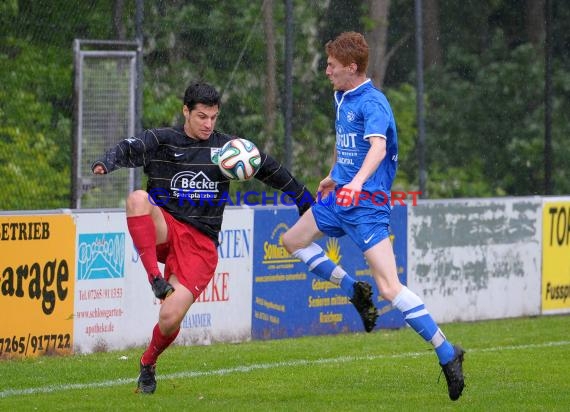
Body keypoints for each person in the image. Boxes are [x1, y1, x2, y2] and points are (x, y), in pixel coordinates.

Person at [92, 81, 320, 394]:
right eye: (201, 116)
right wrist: (107, 161)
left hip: (200, 244)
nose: (208, 124)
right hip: (166, 226)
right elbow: (130, 148)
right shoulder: (162, 140)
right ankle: (155, 278)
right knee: (137, 199)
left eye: (213, 117)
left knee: (169, 317)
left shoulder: (228, 150)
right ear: (186, 111)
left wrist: (302, 196)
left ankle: (148, 363)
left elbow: (267, 167)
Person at [281, 32, 465, 401]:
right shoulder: (342, 96)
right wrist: (335, 176)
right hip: (341, 199)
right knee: (291, 240)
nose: (326, 70)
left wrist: (357, 183)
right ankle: (353, 290)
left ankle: (447, 352)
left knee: (390, 287)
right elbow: (346, 146)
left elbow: (378, 148)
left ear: (352, 67)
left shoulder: (374, 103)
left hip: (367, 205)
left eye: (332, 65)